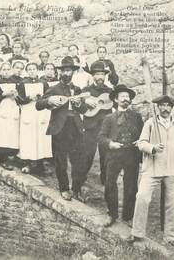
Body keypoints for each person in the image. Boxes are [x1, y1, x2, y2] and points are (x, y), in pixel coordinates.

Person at [127, 95, 174, 246]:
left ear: (172, 108)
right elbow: (141, 143)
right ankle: (137, 233)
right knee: (142, 197)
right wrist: (153, 148)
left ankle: (171, 237)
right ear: (158, 107)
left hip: (173, 168)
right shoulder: (150, 123)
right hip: (152, 168)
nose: (165, 108)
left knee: (173, 203)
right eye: (162, 105)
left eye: (168, 106)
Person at [36, 56, 88, 201]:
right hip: (60, 128)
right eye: (64, 71)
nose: (66, 74)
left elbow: (84, 110)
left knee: (77, 161)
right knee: (61, 161)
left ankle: (76, 190)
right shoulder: (53, 88)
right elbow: (38, 105)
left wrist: (78, 104)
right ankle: (64, 189)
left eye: (69, 71)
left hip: (76, 127)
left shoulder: (77, 89)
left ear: (73, 72)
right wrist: (49, 100)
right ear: (60, 72)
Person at [98, 84, 143, 227]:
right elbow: (101, 137)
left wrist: (140, 142)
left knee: (131, 186)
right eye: (122, 96)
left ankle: (128, 216)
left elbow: (143, 134)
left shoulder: (136, 117)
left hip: (131, 154)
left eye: (127, 97)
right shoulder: (109, 118)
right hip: (114, 155)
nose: (125, 99)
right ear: (116, 100)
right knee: (110, 184)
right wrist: (110, 144)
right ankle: (112, 214)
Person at [75, 61, 112, 201]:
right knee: (86, 157)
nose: (100, 76)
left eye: (102, 74)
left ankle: (106, 187)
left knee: (106, 158)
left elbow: (116, 104)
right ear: (92, 76)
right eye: (97, 74)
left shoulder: (109, 92)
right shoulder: (86, 90)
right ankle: (77, 188)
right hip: (90, 128)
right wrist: (85, 104)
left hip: (106, 130)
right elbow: (78, 106)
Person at [0, 62, 24, 170]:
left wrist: (16, 96)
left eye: (8, 69)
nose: (6, 71)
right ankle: (0, 157)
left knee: (11, 133)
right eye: (4, 69)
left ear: (11, 70)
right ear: (0, 71)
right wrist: (4, 94)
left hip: (12, 109)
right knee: (1, 133)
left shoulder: (17, 83)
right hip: (2, 109)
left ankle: (10, 155)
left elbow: (21, 99)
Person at [18, 63, 51, 175]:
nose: (32, 71)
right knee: (28, 137)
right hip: (28, 111)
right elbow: (19, 100)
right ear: (27, 71)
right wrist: (29, 98)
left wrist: (40, 98)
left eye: (34, 69)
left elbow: (48, 98)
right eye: (30, 69)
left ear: (37, 70)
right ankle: (26, 162)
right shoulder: (22, 83)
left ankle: (40, 163)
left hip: (40, 112)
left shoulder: (43, 83)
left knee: (40, 137)